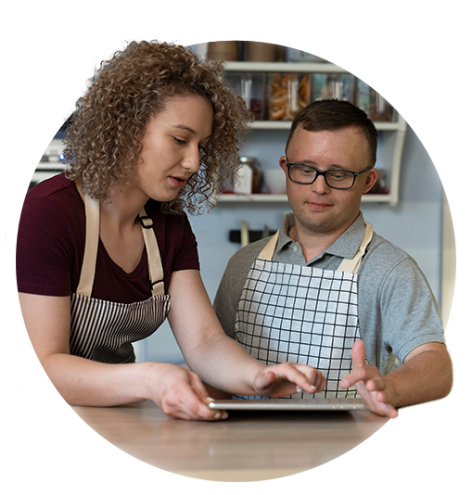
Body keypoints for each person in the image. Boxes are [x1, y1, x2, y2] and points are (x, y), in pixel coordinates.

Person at [16, 39, 326, 422]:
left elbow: (205, 342)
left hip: (117, 418)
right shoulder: (48, 214)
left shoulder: (169, 225)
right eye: (180, 140)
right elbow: (45, 365)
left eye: (202, 146)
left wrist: (256, 376)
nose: (194, 161)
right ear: (125, 128)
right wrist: (150, 379)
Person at [213, 99, 453, 420]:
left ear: (368, 181)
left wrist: (390, 388)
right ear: (286, 169)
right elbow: (212, 364)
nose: (319, 187)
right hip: (243, 448)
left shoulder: (391, 270)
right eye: (305, 170)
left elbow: (436, 367)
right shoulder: (243, 263)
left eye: (339, 174)